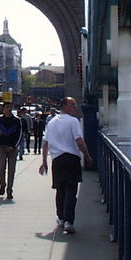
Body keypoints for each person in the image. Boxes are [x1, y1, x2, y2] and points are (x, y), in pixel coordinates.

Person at [39, 96, 93, 234]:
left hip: (57, 160)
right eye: (73, 105)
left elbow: (45, 144)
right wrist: (87, 156)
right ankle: (69, 220)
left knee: (60, 190)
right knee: (71, 190)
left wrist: (44, 162)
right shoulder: (73, 122)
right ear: (65, 106)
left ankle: (61, 217)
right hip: (71, 159)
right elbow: (79, 141)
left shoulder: (51, 123)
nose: (75, 107)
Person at [0, 103, 22, 199]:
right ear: (3, 109)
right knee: (1, 167)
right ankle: (2, 183)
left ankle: (9, 190)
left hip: (12, 148)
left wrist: (13, 146)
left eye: (10, 107)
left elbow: (19, 135)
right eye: (7, 107)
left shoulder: (17, 120)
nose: (9, 109)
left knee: (11, 170)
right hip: (2, 147)